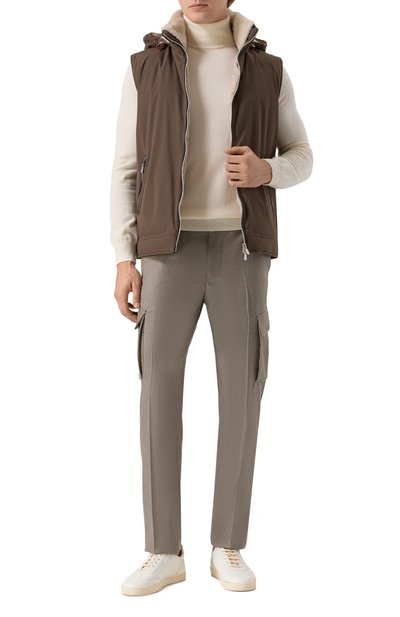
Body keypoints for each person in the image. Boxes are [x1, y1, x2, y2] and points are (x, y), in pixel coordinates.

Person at [110, 0, 313, 596]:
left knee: (242, 395)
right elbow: (125, 168)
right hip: (166, 249)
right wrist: (124, 256)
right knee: (157, 394)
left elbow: (303, 156)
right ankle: (162, 550)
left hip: (240, 250)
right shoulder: (145, 66)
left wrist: (266, 171)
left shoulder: (268, 69)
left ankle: (228, 544)